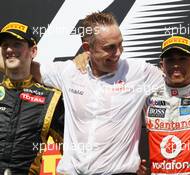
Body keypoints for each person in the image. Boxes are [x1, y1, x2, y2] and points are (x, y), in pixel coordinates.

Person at [33, 12, 164, 174]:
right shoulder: (70, 71)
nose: (118, 52)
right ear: (88, 48)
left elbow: (183, 80)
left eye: (120, 44)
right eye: (109, 48)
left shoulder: (139, 72)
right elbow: (20, 68)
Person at [142, 35, 190, 174]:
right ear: (161, 66)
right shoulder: (148, 99)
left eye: (182, 59)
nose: (176, 64)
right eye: (170, 60)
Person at [0, 21, 64, 174]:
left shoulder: (51, 99)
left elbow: (72, 150)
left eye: (16, 44)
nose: (9, 49)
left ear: (33, 51)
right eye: (5, 45)